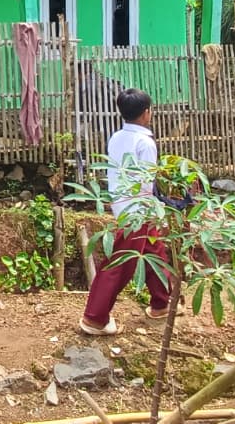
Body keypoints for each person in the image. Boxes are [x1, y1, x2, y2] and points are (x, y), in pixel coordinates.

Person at [80, 88, 172, 336]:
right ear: (146, 113)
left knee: (154, 250)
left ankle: (161, 304)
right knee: (121, 262)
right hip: (139, 208)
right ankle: (94, 318)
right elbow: (146, 181)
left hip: (122, 203)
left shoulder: (117, 137)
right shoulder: (145, 142)